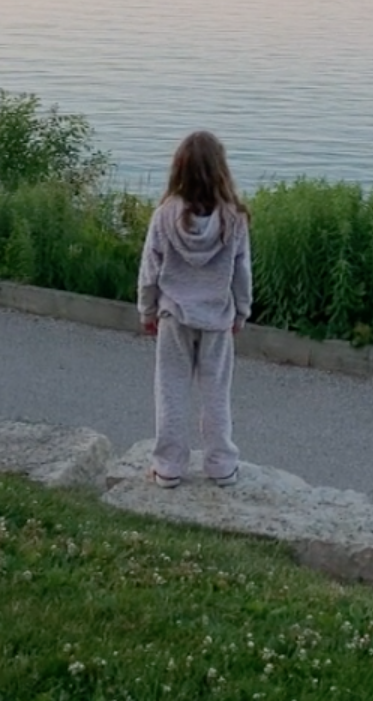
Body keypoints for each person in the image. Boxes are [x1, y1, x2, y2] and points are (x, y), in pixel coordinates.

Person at [138, 129, 252, 488]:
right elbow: (242, 272)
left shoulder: (164, 215)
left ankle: (168, 466)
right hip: (217, 317)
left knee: (170, 390)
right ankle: (221, 465)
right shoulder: (234, 219)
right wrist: (242, 311)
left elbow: (149, 269)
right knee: (216, 393)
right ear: (221, 170)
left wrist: (147, 310)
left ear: (178, 170)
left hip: (174, 316)